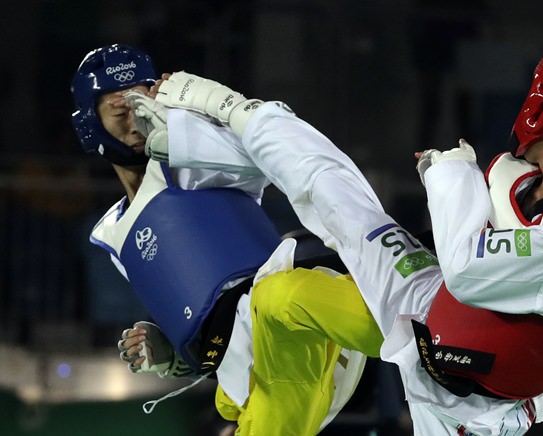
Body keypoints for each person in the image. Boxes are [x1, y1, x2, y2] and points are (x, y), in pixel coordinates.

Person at [135, 39, 543, 435]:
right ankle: (238, 112)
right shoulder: (515, 179)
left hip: (477, 409)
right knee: (296, 270)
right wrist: (208, 126)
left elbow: (468, 268)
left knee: (320, 250)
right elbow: (341, 194)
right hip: (430, 318)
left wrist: (450, 176)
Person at [70, 44, 382, 436]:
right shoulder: (112, 236)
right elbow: (204, 313)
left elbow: (286, 148)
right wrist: (175, 355)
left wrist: (192, 129)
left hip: (298, 335)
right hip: (245, 383)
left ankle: (426, 322)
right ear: (91, 124)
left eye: (142, 100)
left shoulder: (189, 157)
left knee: (283, 294)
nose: (137, 117)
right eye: (121, 109)